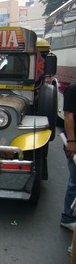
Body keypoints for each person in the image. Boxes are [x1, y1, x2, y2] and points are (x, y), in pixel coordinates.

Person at [60, 81, 76, 230]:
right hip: (74, 142)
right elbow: (68, 115)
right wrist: (71, 141)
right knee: (75, 182)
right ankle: (68, 217)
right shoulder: (73, 89)